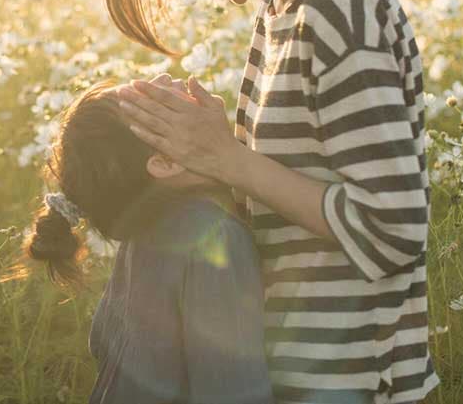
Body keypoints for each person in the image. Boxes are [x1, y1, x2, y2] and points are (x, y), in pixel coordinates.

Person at [104, 0, 439, 404]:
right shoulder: (281, 11)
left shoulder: (343, 14)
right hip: (297, 370)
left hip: (350, 379)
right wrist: (200, 159)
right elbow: (293, 193)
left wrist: (229, 159)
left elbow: (393, 229)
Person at [14, 78, 274, 404]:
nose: (166, 79)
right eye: (149, 97)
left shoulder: (144, 238)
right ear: (164, 162)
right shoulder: (212, 240)